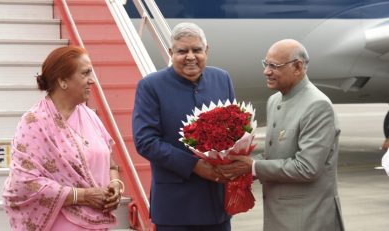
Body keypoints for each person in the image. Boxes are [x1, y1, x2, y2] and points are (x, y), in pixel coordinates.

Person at [218, 39, 345, 231]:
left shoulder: (317, 105)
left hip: (308, 218)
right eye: (266, 64)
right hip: (279, 215)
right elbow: (276, 155)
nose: (266, 71)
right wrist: (240, 165)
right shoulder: (274, 100)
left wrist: (253, 167)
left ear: (298, 67)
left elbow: (306, 168)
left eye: (274, 66)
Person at [2, 46, 125, 230]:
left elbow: (111, 164)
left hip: (96, 224)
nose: (92, 80)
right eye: (85, 73)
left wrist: (115, 185)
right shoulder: (34, 122)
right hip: (59, 223)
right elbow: (24, 182)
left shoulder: (89, 116)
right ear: (63, 81)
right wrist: (83, 196)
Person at [132, 22, 235, 230]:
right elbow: (145, 141)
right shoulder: (151, 86)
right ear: (171, 53)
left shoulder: (222, 79)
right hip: (176, 209)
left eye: (196, 50)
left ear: (207, 50)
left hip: (216, 205)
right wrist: (194, 165)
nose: (190, 57)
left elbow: (234, 130)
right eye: (182, 51)